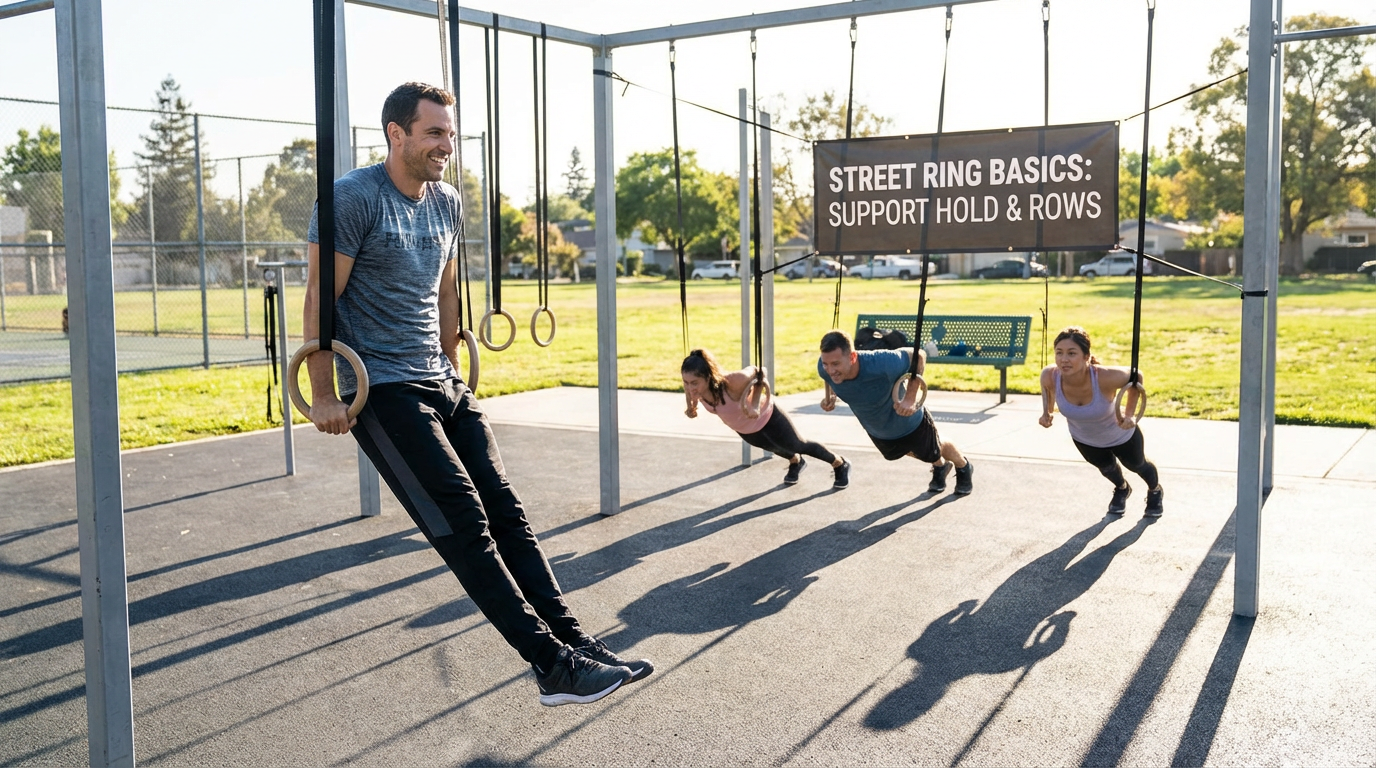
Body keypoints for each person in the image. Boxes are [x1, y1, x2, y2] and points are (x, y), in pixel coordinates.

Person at [303, 82, 651, 707]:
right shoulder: (353, 199)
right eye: (434, 133)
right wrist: (324, 392)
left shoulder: (445, 201)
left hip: (439, 379)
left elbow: (445, 285)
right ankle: (550, 667)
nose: (446, 145)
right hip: (381, 388)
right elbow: (320, 299)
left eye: (450, 134)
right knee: (464, 521)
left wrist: (451, 361)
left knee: (507, 511)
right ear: (396, 134)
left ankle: (576, 644)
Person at [817, 330, 974, 495]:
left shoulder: (881, 363)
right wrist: (831, 396)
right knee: (908, 452)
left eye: (835, 364)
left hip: (908, 420)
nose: (829, 369)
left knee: (933, 448)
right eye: (826, 363)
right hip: (878, 429)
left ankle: (963, 466)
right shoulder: (824, 367)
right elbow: (829, 378)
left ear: (853, 357)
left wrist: (910, 396)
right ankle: (941, 466)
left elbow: (918, 355)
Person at [1039, 326, 1163, 517]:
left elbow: (1136, 377)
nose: (1064, 359)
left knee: (1137, 465)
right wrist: (1046, 412)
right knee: (1107, 469)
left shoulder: (1103, 377)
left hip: (1121, 435)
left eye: (1072, 353)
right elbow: (1047, 389)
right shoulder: (1050, 374)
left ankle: (1155, 490)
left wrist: (1129, 415)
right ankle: (1122, 489)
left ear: (1086, 356)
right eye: (1059, 353)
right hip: (1085, 439)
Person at [682, 348, 851, 488]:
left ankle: (839, 463)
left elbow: (761, 372)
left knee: (797, 444)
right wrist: (691, 406)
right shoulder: (695, 391)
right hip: (745, 429)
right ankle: (796, 462)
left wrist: (754, 403)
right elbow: (693, 393)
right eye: (686, 382)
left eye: (694, 383)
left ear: (709, 377)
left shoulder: (733, 381)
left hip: (769, 417)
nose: (690, 388)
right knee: (774, 447)